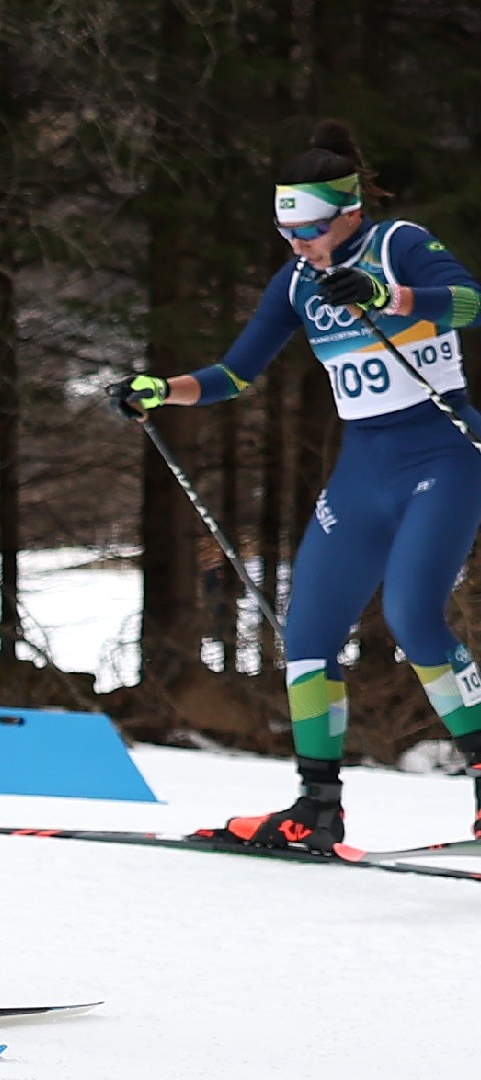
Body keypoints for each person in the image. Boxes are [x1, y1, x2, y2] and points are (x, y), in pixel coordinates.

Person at [110, 119, 481, 846]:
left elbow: (469, 301)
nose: (299, 245)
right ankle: (316, 808)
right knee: (306, 633)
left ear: (348, 212)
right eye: (287, 232)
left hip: (443, 456)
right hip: (364, 467)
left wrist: (388, 295)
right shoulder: (297, 281)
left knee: (412, 617)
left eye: (310, 229)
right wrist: (159, 389)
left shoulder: (397, 243)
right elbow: (235, 373)